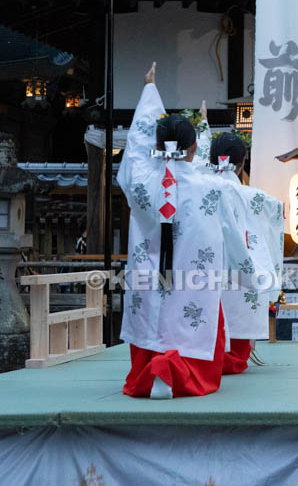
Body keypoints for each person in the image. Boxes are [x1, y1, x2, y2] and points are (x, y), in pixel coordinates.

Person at [118, 63, 228, 399]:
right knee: (187, 313)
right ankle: (177, 368)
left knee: (154, 314)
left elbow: (135, 152)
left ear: (157, 141)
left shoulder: (140, 182)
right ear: (194, 148)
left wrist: (149, 91)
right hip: (191, 274)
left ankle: (152, 367)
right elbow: (211, 165)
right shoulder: (210, 186)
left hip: (148, 274)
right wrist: (203, 127)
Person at [195, 126, 284, 374]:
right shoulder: (253, 197)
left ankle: (202, 355)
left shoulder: (196, 190)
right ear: (243, 162)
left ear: (212, 159)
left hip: (202, 272)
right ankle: (234, 357)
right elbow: (276, 215)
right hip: (240, 275)